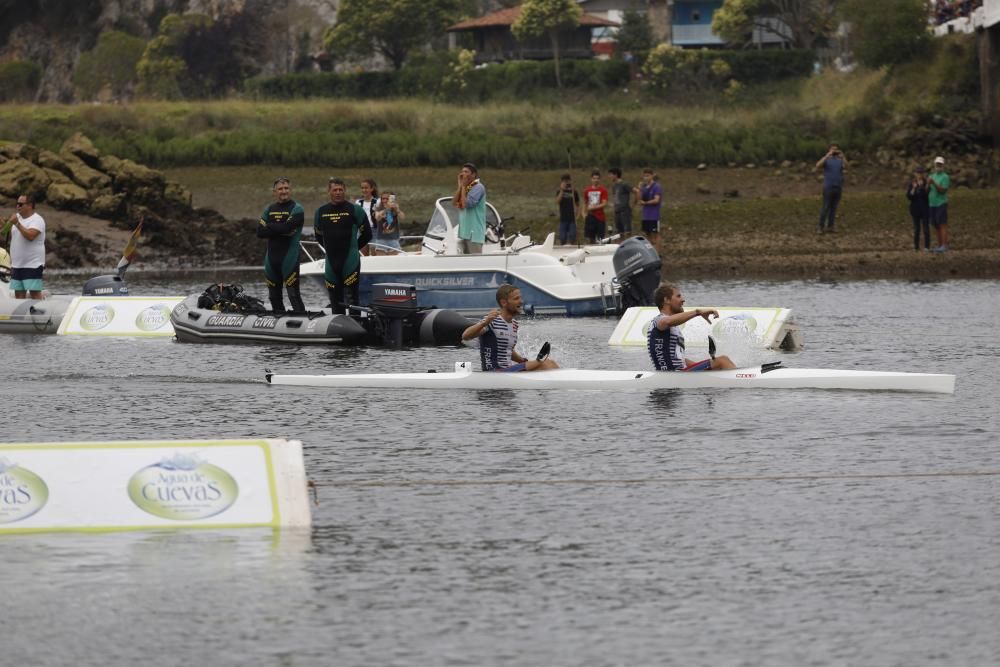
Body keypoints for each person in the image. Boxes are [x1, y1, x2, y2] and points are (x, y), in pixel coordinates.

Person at [462, 283, 559, 372]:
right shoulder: (492, 321)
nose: (521, 302)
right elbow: (465, 336)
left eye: (520, 298)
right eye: (516, 299)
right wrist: (484, 323)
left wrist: (523, 360)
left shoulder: (514, 324)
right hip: (495, 372)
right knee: (548, 364)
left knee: (548, 364)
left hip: (509, 370)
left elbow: (507, 350)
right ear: (504, 303)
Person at [314, 177, 372, 313]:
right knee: (335, 301)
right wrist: (330, 249)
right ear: (329, 192)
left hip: (350, 262)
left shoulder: (355, 210)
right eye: (335, 190)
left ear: (344, 191)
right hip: (331, 263)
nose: (338, 192)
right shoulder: (321, 212)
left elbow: (367, 234)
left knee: (352, 300)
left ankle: (357, 329)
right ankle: (338, 330)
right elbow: (318, 235)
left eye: (341, 190)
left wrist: (353, 249)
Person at [647, 283, 736, 371]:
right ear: (667, 300)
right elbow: (666, 321)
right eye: (678, 296)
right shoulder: (659, 320)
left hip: (674, 374)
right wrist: (698, 312)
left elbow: (681, 360)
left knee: (718, 364)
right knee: (723, 361)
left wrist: (709, 367)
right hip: (674, 375)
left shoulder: (669, 327)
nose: (683, 300)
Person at [256, 177, 306, 312]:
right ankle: (280, 322)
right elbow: (260, 232)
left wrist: (271, 227)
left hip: (289, 259)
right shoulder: (269, 209)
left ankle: (302, 324)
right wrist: (281, 228)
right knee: (273, 297)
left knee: (293, 295)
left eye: (286, 188)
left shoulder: (297, 209)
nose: (284, 191)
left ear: (290, 190)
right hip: (271, 260)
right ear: (274, 191)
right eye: (280, 189)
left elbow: (288, 229)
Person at [4, 194, 46, 299]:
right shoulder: (16, 218)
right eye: (17, 204)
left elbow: (31, 236)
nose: (17, 206)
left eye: (21, 204)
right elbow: (3, 232)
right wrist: (3, 225)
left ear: (30, 205)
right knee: (18, 296)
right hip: (16, 265)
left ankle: (38, 314)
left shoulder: (37, 220)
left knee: (34, 294)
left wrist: (17, 224)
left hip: (32, 264)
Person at [815, 143, 847, 233]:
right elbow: (817, 165)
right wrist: (827, 155)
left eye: (836, 149)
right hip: (828, 187)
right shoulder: (826, 159)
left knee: (834, 208)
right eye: (832, 149)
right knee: (825, 207)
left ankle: (831, 226)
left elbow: (847, 166)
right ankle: (820, 226)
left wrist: (843, 156)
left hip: (838, 186)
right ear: (829, 150)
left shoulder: (840, 160)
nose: (834, 151)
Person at [454, 162, 486, 254]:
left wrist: (463, 187)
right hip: (465, 233)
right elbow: (454, 202)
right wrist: (460, 187)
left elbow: (466, 204)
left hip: (474, 234)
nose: (463, 174)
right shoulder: (466, 188)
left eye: (466, 172)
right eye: (462, 172)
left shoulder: (478, 187)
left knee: (476, 262)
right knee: (466, 262)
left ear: (473, 174)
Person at [635, 168, 663, 250]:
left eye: (648, 176)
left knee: (656, 234)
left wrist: (646, 203)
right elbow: (639, 199)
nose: (646, 178)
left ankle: (657, 254)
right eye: (644, 176)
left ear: (652, 176)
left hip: (654, 215)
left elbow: (656, 200)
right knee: (647, 234)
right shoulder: (644, 188)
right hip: (645, 215)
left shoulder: (657, 187)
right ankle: (651, 252)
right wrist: (639, 189)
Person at [928, 156, 951, 252]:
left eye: (940, 164)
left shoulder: (945, 177)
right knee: (936, 224)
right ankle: (940, 245)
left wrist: (933, 183)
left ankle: (944, 245)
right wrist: (927, 184)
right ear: (934, 165)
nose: (938, 166)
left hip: (941, 203)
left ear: (943, 165)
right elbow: (928, 189)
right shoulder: (932, 175)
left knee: (942, 224)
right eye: (937, 164)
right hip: (932, 203)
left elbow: (942, 190)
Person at [906, 166, 931, 251]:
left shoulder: (926, 183)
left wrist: (921, 187)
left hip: (925, 208)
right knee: (916, 228)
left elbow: (926, 195)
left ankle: (927, 246)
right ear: (915, 174)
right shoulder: (912, 183)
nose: (919, 175)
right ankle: (916, 247)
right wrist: (913, 188)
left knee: (926, 228)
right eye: (918, 173)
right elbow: (909, 196)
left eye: (921, 173)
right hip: (915, 209)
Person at [582, 169, 608, 244]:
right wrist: (583, 213)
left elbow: (604, 203)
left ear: (599, 179)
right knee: (590, 237)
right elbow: (584, 202)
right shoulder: (587, 190)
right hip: (590, 216)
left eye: (597, 178)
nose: (596, 180)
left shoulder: (603, 190)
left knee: (600, 237)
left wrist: (593, 207)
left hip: (600, 216)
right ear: (591, 179)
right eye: (594, 178)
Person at [608, 167, 635, 239]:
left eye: (610, 175)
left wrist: (633, 205)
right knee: (619, 234)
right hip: (617, 212)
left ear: (616, 175)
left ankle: (629, 248)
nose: (609, 176)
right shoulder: (614, 186)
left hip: (625, 211)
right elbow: (615, 198)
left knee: (627, 232)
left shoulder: (624, 184)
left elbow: (637, 191)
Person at [555, 173, 580, 246]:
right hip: (563, 218)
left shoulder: (574, 192)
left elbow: (578, 204)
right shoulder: (559, 191)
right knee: (562, 238)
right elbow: (557, 201)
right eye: (564, 181)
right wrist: (562, 190)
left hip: (572, 219)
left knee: (572, 237)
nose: (566, 183)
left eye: (567, 181)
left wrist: (578, 215)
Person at [356, 178, 379, 256]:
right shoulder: (358, 202)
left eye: (366, 188)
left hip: (374, 230)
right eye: (362, 188)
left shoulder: (378, 201)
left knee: (374, 255)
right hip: (362, 230)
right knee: (363, 256)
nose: (364, 190)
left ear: (372, 189)